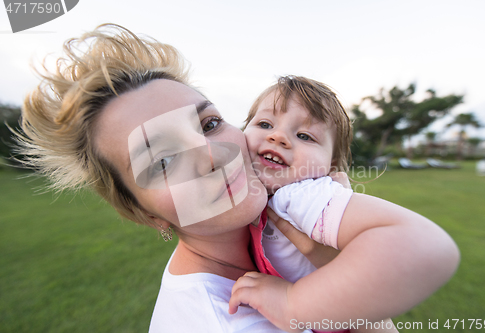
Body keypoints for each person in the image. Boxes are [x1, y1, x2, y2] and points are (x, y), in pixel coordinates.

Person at [16, 24, 459, 333]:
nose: (213, 154)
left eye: (208, 124)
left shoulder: (286, 214)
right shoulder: (222, 321)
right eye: (165, 160)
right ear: (141, 212)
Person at [227, 76, 460, 332]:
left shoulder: (301, 195)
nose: (279, 136)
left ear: (330, 166)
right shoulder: (253, 193)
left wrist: (292, 304)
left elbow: (424, 243)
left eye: (305, 135)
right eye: (264, 123)